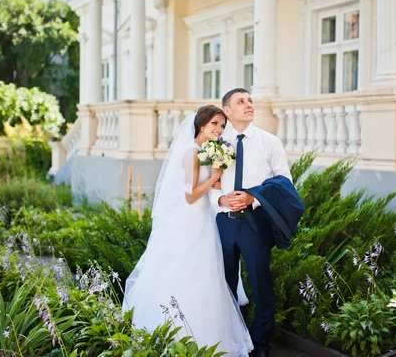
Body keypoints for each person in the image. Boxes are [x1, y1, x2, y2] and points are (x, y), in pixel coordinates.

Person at [122, 105, 253, 357]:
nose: (218, 129)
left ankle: (206, 341)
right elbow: (191, 195)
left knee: (208, 278)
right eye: (215, 124)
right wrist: (214, 174)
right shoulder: (191, 151)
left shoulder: (207, 151)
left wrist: (217, 180)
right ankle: (178, 337)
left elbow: (208, 187)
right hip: (190, 221)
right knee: (187, 276)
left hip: (205, 220)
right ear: (201, 124)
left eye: (222, 126)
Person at [209, 89, 292, 357]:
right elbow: (208, 184)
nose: (248, 105)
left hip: (256, 222)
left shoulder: (270, 142)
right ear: (228, 111)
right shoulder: (217, 143)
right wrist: (221, 201)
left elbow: (284, 182)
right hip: (223, 223)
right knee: (224, 284)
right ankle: (230, 340)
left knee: (261, 284)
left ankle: (261, 345)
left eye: (250, 101)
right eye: (241, 102)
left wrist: (252, 197)